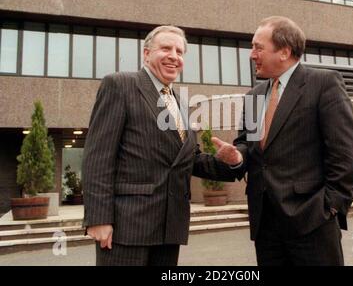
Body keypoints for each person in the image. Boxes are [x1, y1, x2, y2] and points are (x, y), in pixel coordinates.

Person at [82, 25, 237, 266]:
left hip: (169, 227)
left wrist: (231, 162)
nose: (174, 56)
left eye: (180, 51)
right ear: (146, 54)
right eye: (166, 48)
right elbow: (98, 157)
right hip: (126, 228)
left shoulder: (181, 104)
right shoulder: (120, 85)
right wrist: (98, 218)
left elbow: (189, 160)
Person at [212, 16, 353, 266]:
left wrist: (330, 208)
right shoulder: (254, 96)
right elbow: (247, 146)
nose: (251, 54)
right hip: (266, 225)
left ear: (284, 52)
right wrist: (238, 156)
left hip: (312, 223)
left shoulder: (324, 84)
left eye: (258, 47)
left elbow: (345, 153)